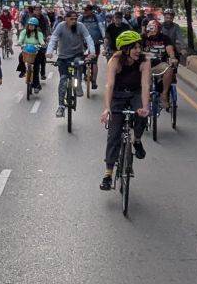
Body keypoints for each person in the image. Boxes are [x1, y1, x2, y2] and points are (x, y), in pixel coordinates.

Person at [99, 30, 150, 190]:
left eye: (139, 47)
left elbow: (145, 85)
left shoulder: (144, 61)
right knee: (113, 135)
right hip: (117, 96)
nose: (138, 50)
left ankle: (137, 140)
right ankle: (108, 173)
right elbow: (109, 85)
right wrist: (107, 109)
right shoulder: (115, 60)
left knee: (141, 115)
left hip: (135, 93)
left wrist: (145, 107)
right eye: (134, 47)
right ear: (124, 49)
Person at [46, 10, 95, 118]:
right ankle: (61, 106)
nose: (74, 21)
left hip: (77, 54)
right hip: (63, 57)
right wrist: (49, 52)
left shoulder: (80, 26)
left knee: (78, 65)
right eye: (71, 19)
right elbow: (54, 39)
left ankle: (78, 85)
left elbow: (88, 39)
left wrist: (92, 52)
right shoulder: (60, 26)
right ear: (66, 19)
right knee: (63, 80)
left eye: (75, 19)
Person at [143, 18, 179, 111]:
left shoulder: (165, 38)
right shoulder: (143, 37)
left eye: (154, 28)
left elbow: (169, 49)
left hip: (160, 64)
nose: (152, 30)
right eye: (150, 28)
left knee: (168, 69)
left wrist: (173, 58)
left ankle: (164, 95)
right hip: (145, 65)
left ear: (159, 29)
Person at [79, 3, 105, 89]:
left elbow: (102, 28)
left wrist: (104, 38)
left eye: (86, 10)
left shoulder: (97, 18)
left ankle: (94, 81)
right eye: (84, 10)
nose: (84, 12)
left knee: (94, 62)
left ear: (91, 11)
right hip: (83, 43)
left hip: (95, 42)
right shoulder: (81, 18)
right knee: (82, 59)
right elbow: (76, 28)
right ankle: (83, 73)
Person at [17, 18, 45, 92]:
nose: (31, 26)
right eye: (30, 25)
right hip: (26, 50)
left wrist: (42, 44)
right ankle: (23, 71)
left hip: (36, 51)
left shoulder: (39, 33)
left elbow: (41, 41)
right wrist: (20, 43)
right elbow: (20, 39)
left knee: (36, 68)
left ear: (36, 26)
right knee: (20, 57)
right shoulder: (24, 32)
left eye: (33, 25)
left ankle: (36, 85)